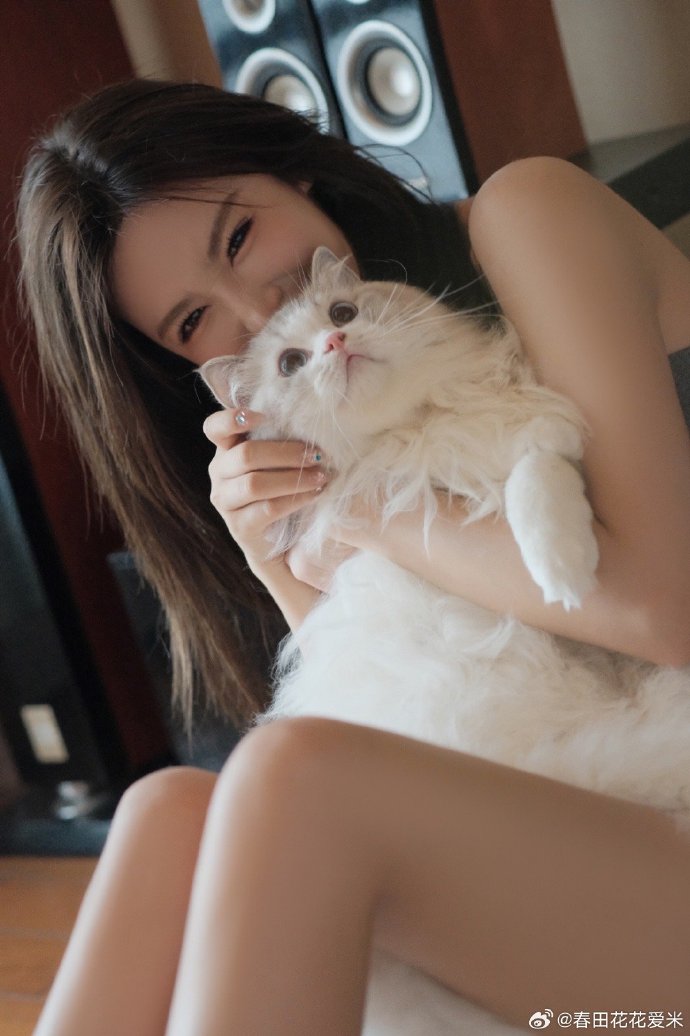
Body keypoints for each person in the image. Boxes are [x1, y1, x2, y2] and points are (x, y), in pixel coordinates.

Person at [16, 79, 690, 1036]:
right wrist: (286, 567)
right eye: (193, 323)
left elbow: (665, 611)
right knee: (166, 811)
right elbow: (406, 697)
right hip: (571, 838)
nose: (257, 310)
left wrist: (362, 511)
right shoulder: (340, 419)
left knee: (295, 776)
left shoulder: (525, 215)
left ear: (293, 170)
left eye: (238, 238)